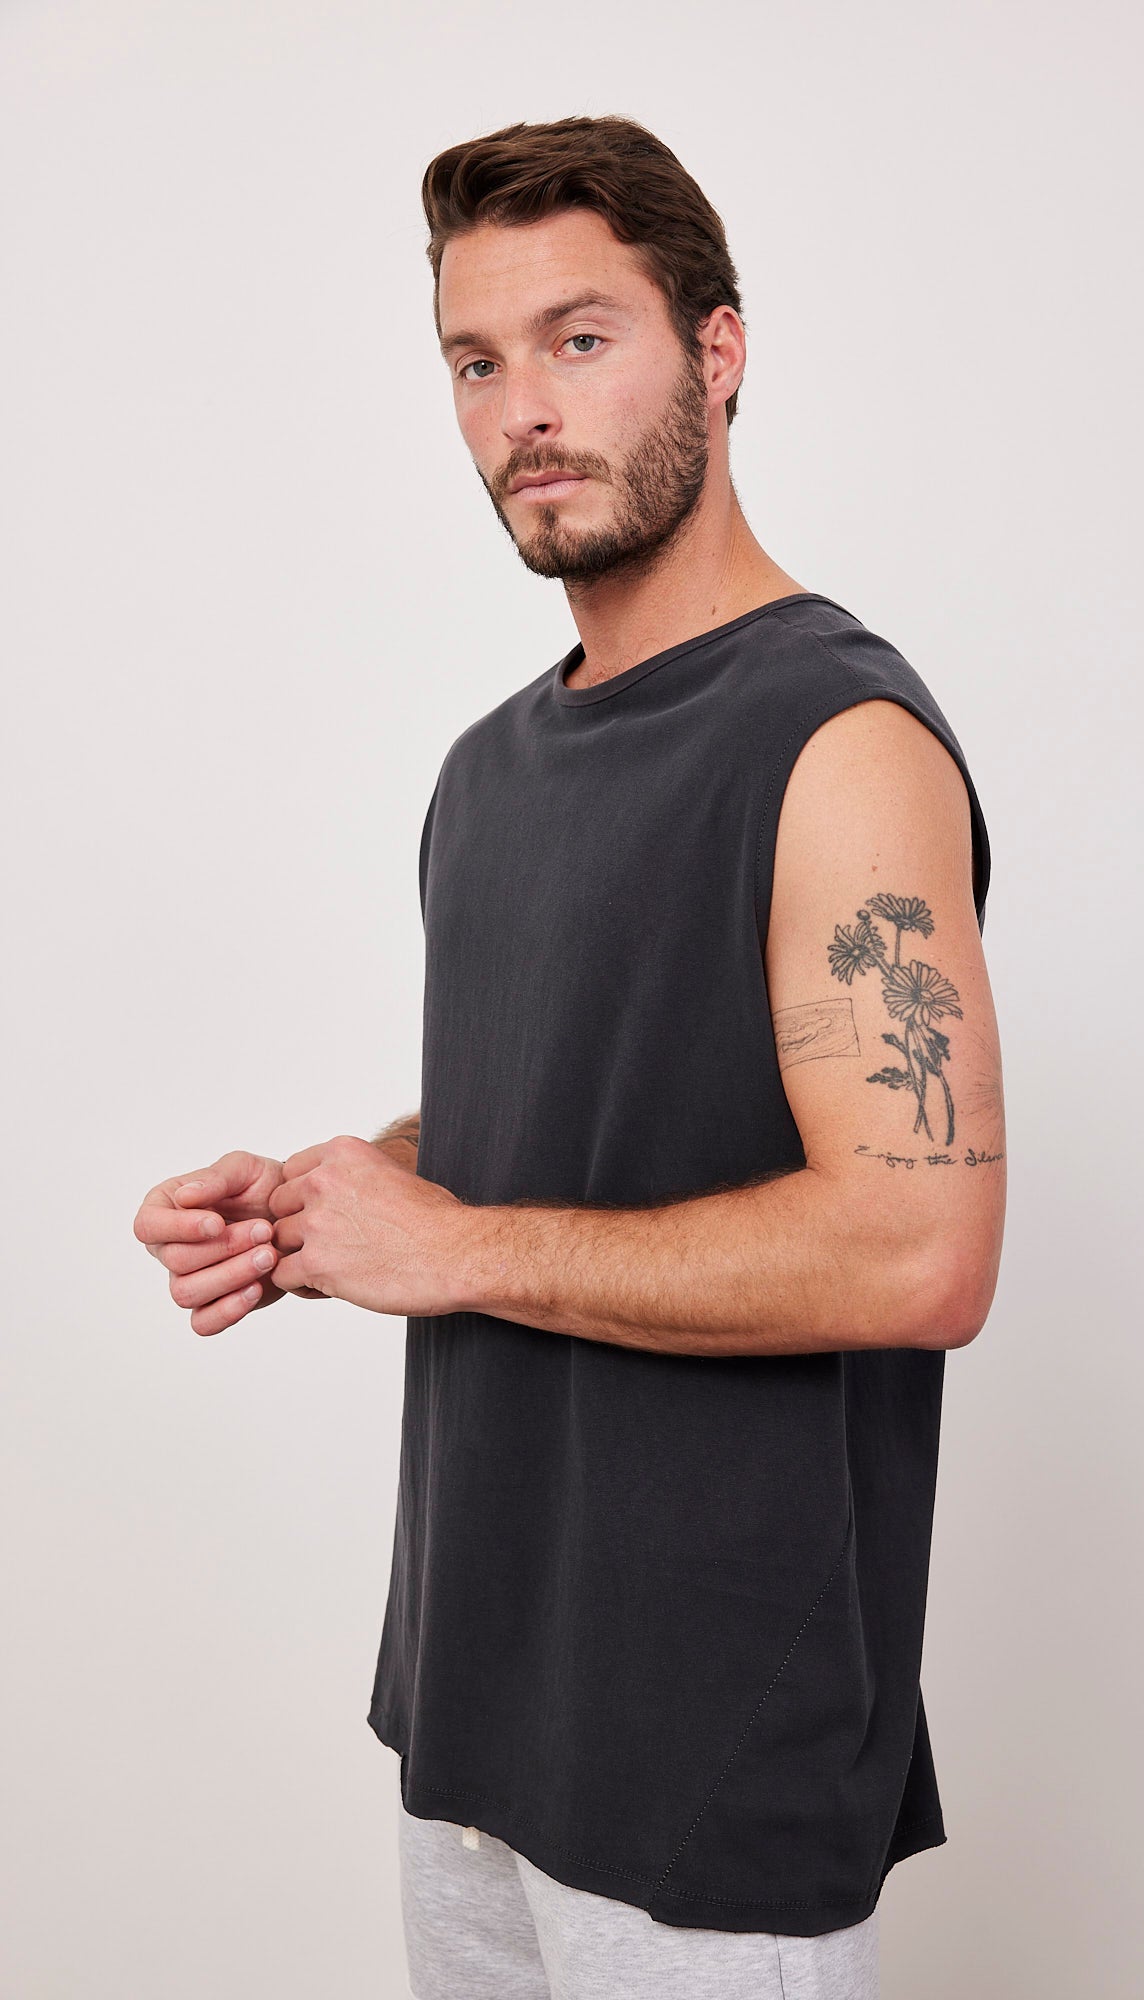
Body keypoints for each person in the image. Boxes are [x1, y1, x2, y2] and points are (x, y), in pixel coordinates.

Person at [133, 114, 1007, 2000]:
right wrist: (336, 1198)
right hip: (472, 1716)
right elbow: (591, 1103)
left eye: (580, 337)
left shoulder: (836, 741)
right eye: (475, 360)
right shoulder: (487, 770)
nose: (523, 406)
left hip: (704, 1773)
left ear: (718, 349)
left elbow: (915, 1248)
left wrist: (451, 1249)